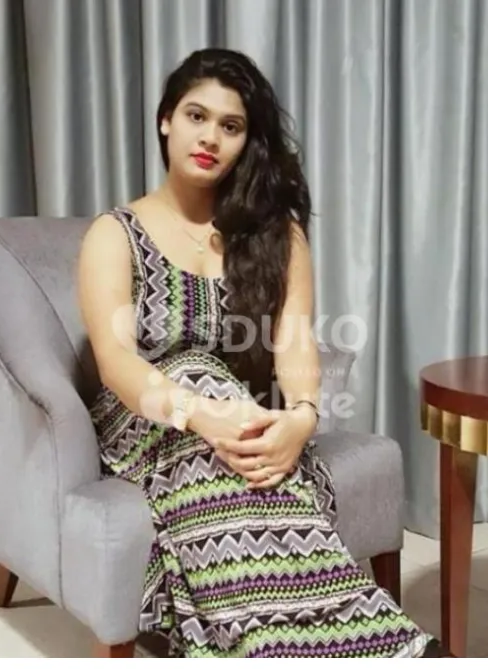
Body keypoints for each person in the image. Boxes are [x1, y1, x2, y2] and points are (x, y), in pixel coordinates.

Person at [78, 48, 442, 658]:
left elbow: (294, 340)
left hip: (239, 418)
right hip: (144, 421)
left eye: (231, 126)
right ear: (166, 119)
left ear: (247, 142)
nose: (210, 138)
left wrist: (300, 418)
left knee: (249, 443)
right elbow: (116, 365)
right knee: (198, 372)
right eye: (196, 116)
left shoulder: (276, 235)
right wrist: (199, 413)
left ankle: (277, 641)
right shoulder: (114, 234)